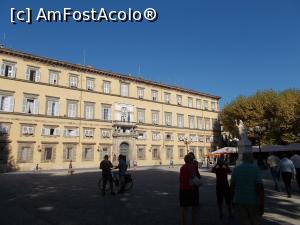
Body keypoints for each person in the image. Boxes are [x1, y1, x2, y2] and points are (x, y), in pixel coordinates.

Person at [230, 151, 264, 225]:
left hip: (239, 200)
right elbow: (259, 187)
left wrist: (232, 199)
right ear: (251, 158)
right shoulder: (255, 169)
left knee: (244, 221)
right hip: (253, 200)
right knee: (255, 221)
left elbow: (232, 186)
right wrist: (262, 202)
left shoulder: (236, 169)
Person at [180, 154, 199, 225]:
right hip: (191, 189)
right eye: (192, 159)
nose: (193, 160)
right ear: (191, 160)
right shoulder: (192, 166)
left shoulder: (182, 167)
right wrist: (199, 183)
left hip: (182, 189)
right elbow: (193, 177)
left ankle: (184, 223)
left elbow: (181, 179)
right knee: (194, 209)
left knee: (184, 209)